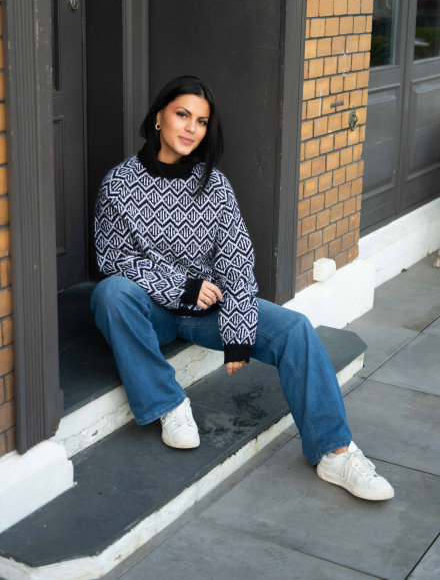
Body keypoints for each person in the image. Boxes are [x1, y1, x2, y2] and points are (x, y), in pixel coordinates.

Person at [91, 75, 394, 502]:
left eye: (201, 121)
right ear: (159, 117)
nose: (191, 128)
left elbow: (236, 262)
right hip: (151, 312)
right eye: (182, 115)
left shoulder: (214, 185)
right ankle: (169, 405)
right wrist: (182, 287)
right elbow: (114, 259)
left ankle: (335, 452)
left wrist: (237, 332)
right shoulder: (119, 184)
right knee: (110, 294)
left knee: (295, 329)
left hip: (207, 313)